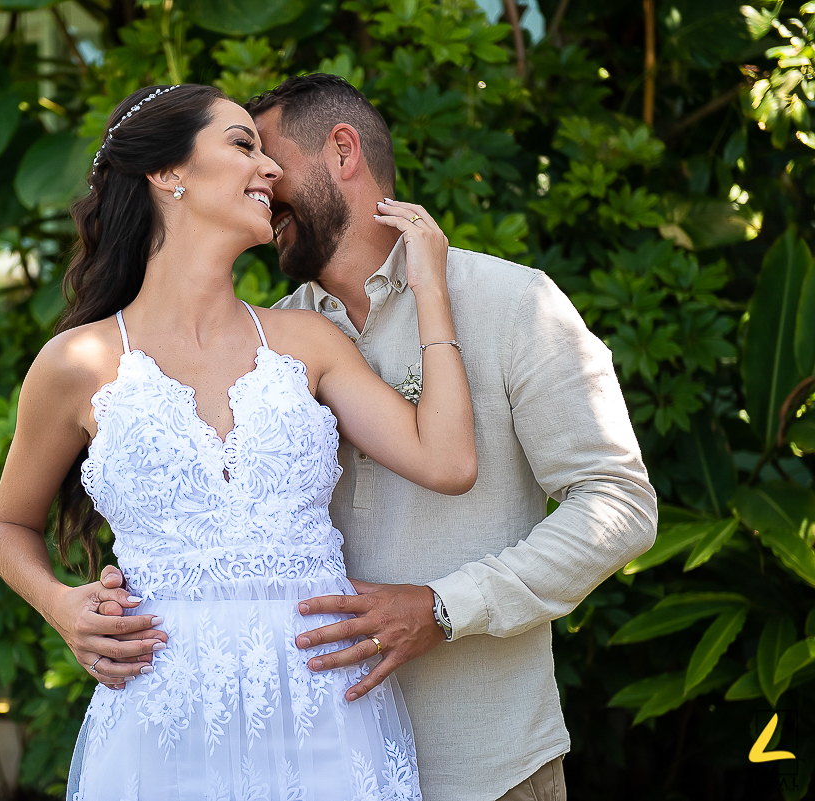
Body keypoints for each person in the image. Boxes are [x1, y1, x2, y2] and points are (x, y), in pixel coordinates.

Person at [96, 75, 659, 801]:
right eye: (246, 157)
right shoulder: (269, 338)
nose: (263, 178)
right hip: (309, 761)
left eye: (271, 156)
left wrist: (447, 605)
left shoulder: (514, 302)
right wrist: (116, 600)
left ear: (342, 151)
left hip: (483, 760)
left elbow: (619, 503)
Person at [0, 83, 478, 800]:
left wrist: (429, 283)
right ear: (167, 173)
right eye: (243, 145)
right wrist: (61, 605)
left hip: (324, 715)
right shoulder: (75, 364)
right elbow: (8, 524)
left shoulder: (309, 342)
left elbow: (449, 461)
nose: (271, 169)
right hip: (164, 723)